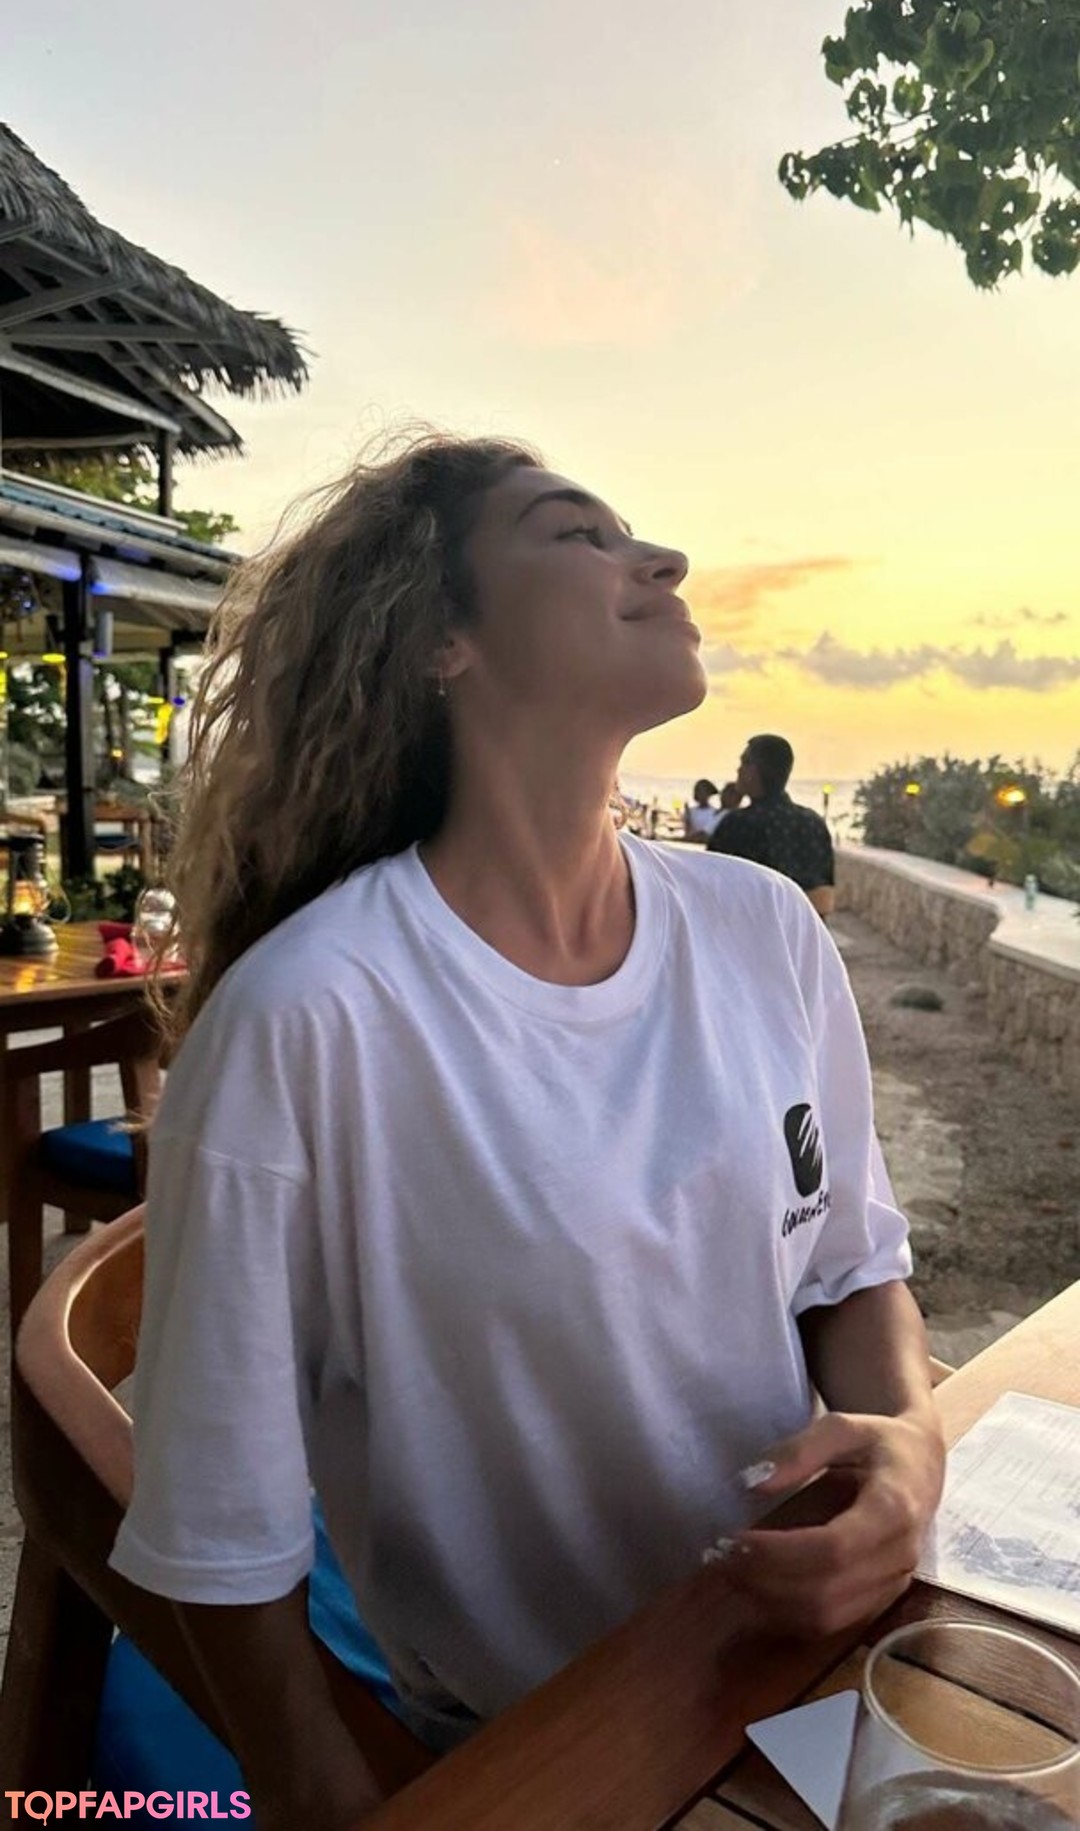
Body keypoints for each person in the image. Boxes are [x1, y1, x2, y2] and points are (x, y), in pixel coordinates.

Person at [110, 432, 944, 1831]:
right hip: (546, 1739)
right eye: (576, 533)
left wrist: (909, 1449)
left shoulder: (761, 932)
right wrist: (323, 1788)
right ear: (441, 638)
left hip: (816, 1659)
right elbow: (218, 1521)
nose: (662, 559)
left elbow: (852, 1270)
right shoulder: (310, 1023)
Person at [707, 735, 836, 919]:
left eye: (744, 762)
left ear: (757, 770)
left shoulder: (737, 825)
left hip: (751, 930)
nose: (739, 769)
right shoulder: (813, 823)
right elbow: (825, 897)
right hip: (801, 931)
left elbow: (712, 888)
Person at [681, 777, 722, 842]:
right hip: (692, 843)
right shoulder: (691, 811)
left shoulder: (715, 812)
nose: (702, 795)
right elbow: (687, 832)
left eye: (704, 792)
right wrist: (687, 816)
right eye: (699, 792)